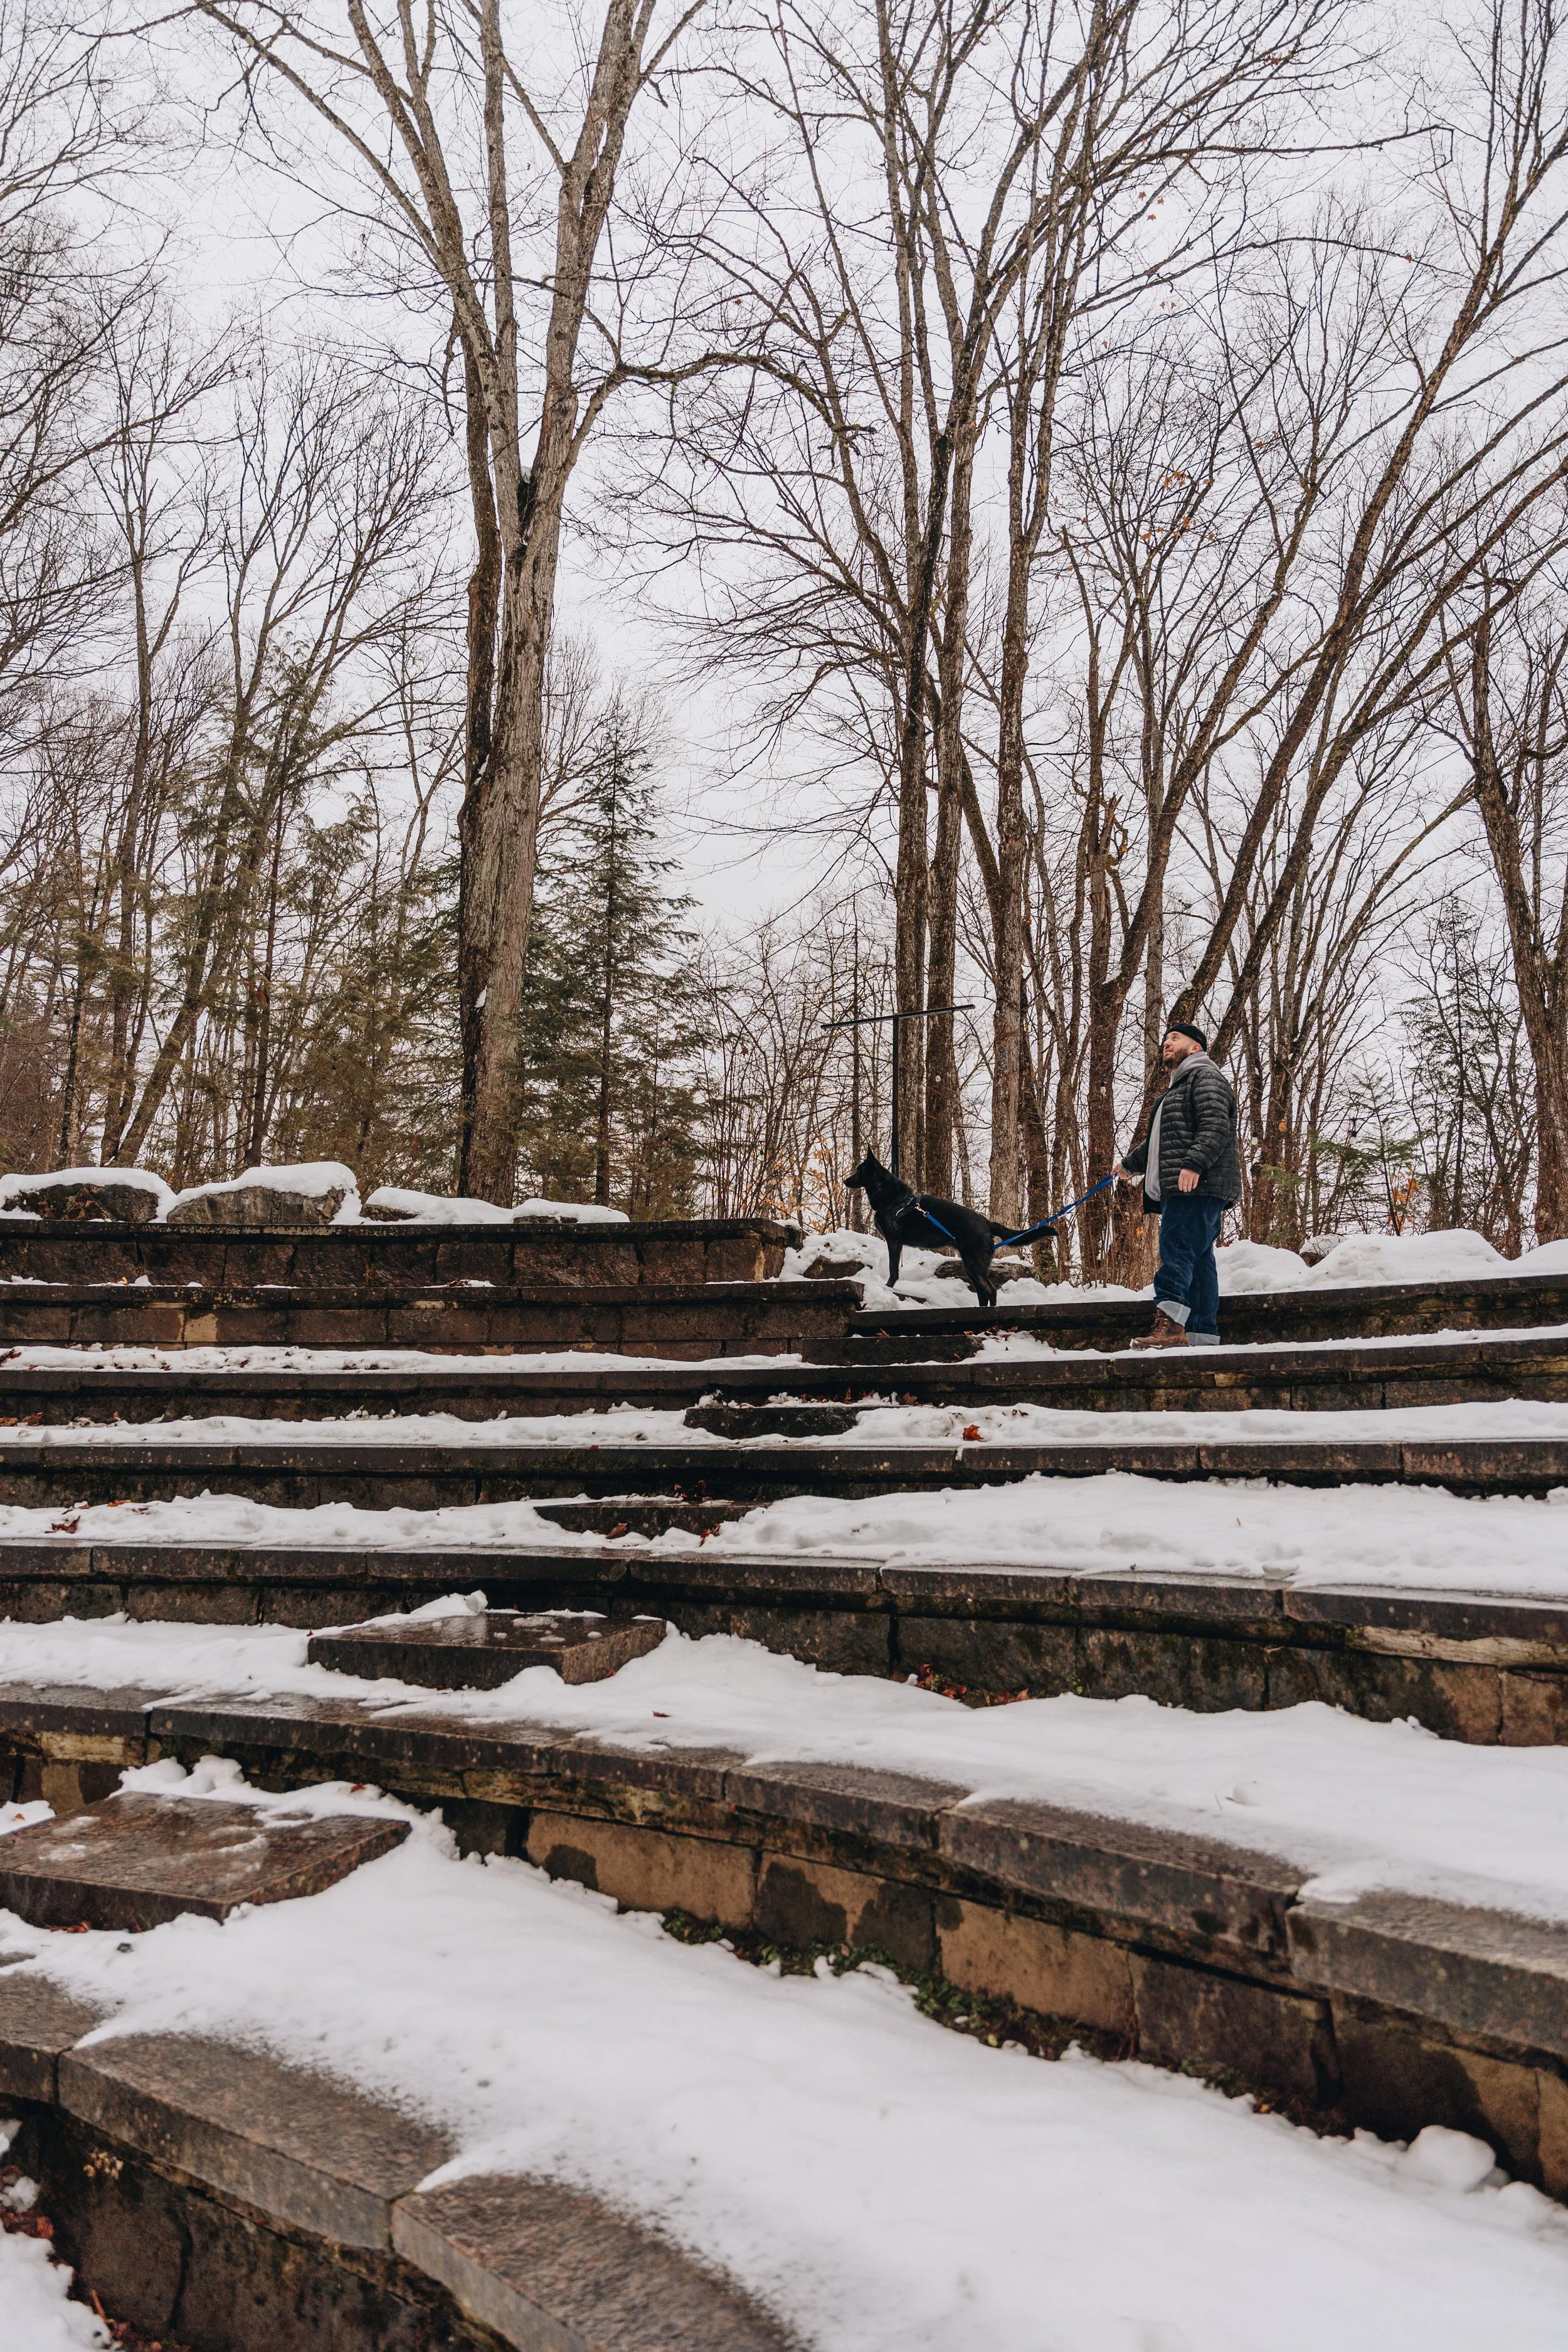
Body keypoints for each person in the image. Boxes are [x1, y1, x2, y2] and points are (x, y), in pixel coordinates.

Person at [1115, 1022, 1242, 1350]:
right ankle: (1202, 1334)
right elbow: (1160, 1144)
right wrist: (1129, 1166)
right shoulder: (1177, 1089)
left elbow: (1216, 1125)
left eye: (1175, 1038)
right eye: (1165, 1039)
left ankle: (1170, 1326)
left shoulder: (1205, 1077)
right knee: (1198, 1259)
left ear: (1196, 1047)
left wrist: (1194, 1163)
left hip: (1195, 1185)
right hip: (1189, 1185)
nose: (1167, 1043)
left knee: (1176, 1249)